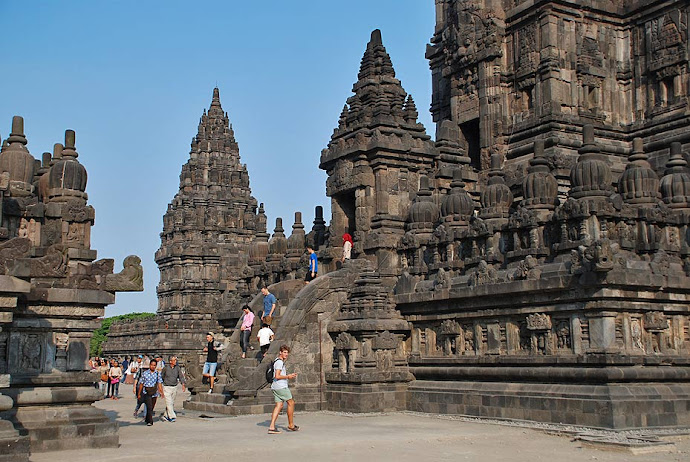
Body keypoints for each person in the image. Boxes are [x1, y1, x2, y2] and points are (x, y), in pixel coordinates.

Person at [267, 345, 299, 434]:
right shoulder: (279, 362)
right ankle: (291, 425)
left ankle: (272, 427)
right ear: (280, 352)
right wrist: (288, 376)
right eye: (284, 352)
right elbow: (277, 376)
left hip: (275, 386)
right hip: (281, 386)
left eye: (287, 352)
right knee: (291, 402)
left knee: (279, 405)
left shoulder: (277, 361)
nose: (286, 354)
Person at [137, 359, 164, 426]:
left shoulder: (157, 373)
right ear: (149, 365)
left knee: (152, 407)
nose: (153, 366)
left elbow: (159, 383)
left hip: (154, 392)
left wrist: (161, 391)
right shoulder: (145, 373)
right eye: (152, 365)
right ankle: (150, 421)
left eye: (154, 365)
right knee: (149, 406)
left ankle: (147, 418)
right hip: (146, 392)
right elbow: (141, 384)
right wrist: (139, 393)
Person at [160, 356, 186, 422]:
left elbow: (181, 376)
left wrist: (183, 384)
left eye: (176, 360)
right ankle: (172, 416)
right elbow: (161, 376)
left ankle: (165, 415)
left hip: (174, 387)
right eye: (174, 360)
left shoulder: (177, 368)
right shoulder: (165, 368)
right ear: (170, 361)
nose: (175, 361)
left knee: (171, 402)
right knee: (169, 402)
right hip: (167, 387)